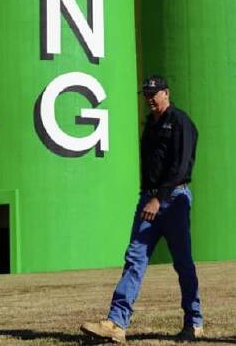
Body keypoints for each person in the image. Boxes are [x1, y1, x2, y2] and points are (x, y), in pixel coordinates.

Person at [81, 75, 204, 343]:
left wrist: (159, 198)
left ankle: (193, 322)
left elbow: (181, 166)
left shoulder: (180, 122)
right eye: (146, 94)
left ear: (167, 93)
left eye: (154, 93)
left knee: (182, 263)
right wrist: (150, 196)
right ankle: (116, 323)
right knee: (135, 258)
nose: (149, 98)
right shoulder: (150, 123)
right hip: (148, 198)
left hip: (172, 200)